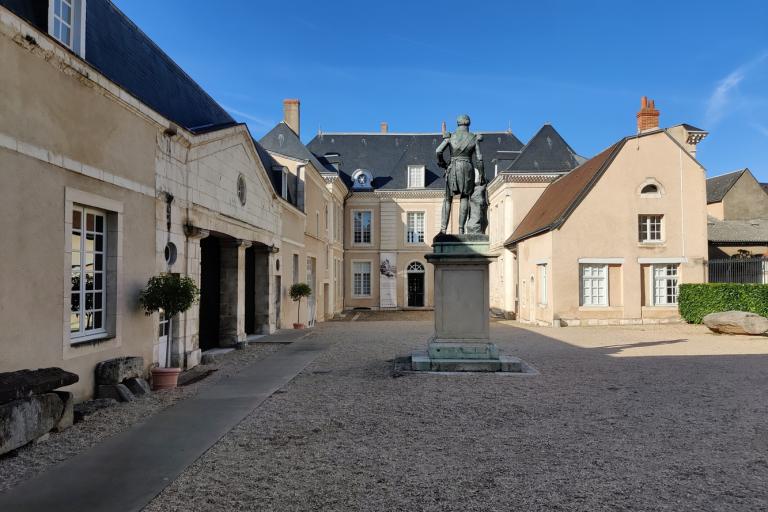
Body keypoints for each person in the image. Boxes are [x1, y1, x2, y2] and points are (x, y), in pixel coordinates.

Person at [436, 114, 485, 234]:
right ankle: (461, 229)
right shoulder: (473, 138)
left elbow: (438, 151)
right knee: (464, 198)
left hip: (453, 167)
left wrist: (443, 163)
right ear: (468, 123)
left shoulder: (451, 137)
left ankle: (443, 230)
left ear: (458, 123)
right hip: (467, 168)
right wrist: (482, 174)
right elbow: (479, 158)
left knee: (448, 199)